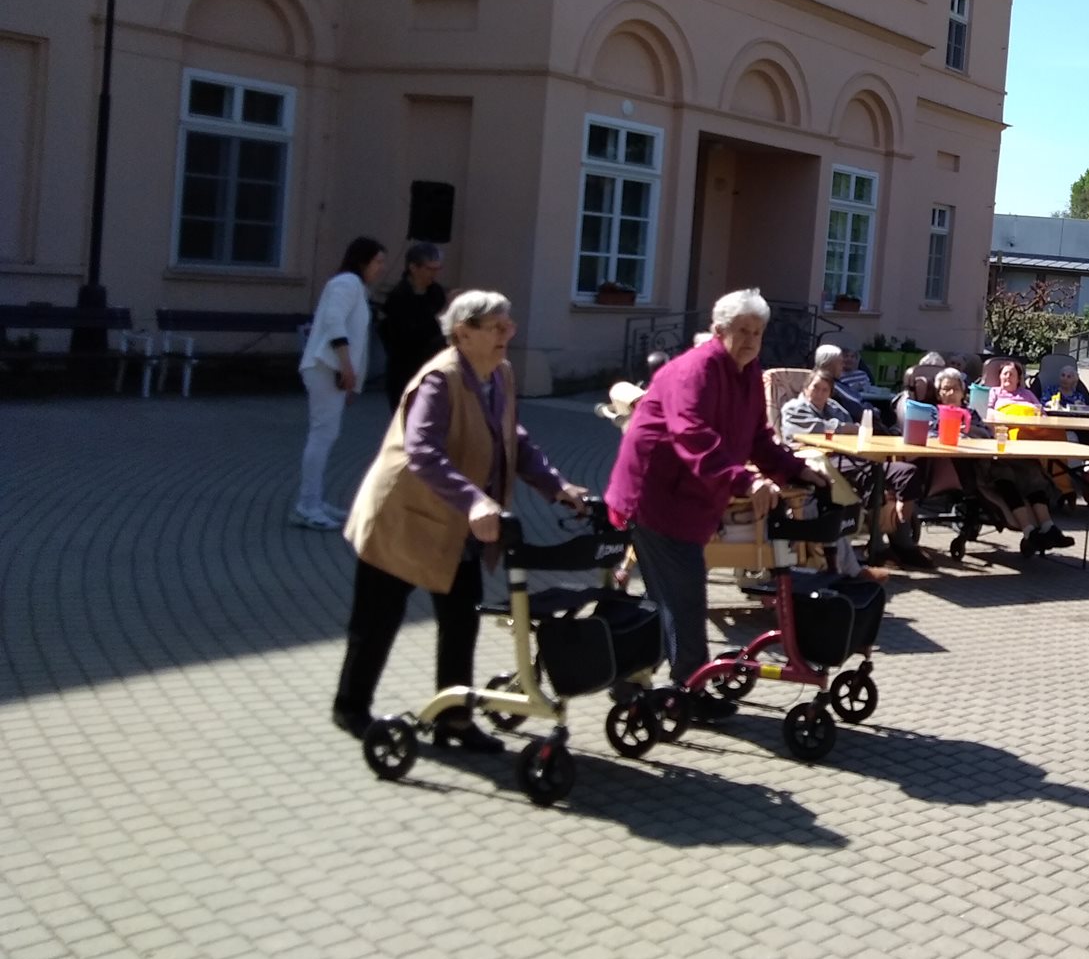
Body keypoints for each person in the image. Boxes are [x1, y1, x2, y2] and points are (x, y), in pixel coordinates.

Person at [332, 290, 590, 745]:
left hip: (461, 524)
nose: (507, 334)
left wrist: (556, 485)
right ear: (462, 333)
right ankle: (350, 708)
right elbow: (422, 450)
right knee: (377, 619)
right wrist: (474, 500)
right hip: (404, 516)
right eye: (496, 327)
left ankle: (453, 719)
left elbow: (514, 438)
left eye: (509, 325)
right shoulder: (441, 378)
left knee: (461, 619)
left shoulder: (500, 373)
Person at [608, 290, 828, 719]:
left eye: (757, 333)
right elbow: (692, 435)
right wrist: (746, 480)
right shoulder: (694, 371)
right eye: (742, 331)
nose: (750, 340)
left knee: (669, 597)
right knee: (684, 597)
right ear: (718, 330)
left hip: (691, 499)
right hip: (655, 496)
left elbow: (758, 437)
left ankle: (632, 676)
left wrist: (796, 470)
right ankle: (687, 690)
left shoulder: (747, 372)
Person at [781, 368, 928, 564]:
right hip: (822, 460)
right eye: (815, 388)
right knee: (874, 479)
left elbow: (856, 429)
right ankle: (882, 546)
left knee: (906, 473)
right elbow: (813, 430)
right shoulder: (794, 408)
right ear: (806, 388)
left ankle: (900, 538)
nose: (819, 393)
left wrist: (850, 429)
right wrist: (842, 428)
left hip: (854, 456)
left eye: (825, 390)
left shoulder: (834, 407)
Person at [293, 236, 386, 530]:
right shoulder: (347, 283)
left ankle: (314, 500)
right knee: (322, 435)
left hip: (331, 370)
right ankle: (307, 506)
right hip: (325, 367)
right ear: (362, 261)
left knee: (325, 435)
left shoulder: (355, 287)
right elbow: (335, 323)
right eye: (377, 261)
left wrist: (351, 381)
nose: (381, 268)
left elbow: (352, 336)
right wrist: (346, 367)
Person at [933, 368, 1071, 551]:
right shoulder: (935, 414)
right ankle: (1030, 531)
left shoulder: (971, 413)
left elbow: (987, 433)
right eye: (946, 389)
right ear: (939, 394)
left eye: (955, 388)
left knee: (1030, 468)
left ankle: (1048, 527)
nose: (951, 393)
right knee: (1003, 474)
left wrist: (979, 435)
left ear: (962, 392)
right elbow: (932, 436)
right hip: (972, 465)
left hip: (990, 454)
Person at [377, 241, 447, 412]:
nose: (434, 274)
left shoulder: (436, 293)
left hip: (434, 368)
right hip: (404, 370)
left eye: (437, 269)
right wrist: (438, 319)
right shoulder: (399, 297)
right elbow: (401, 336)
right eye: (429, 269)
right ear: (413, 268)